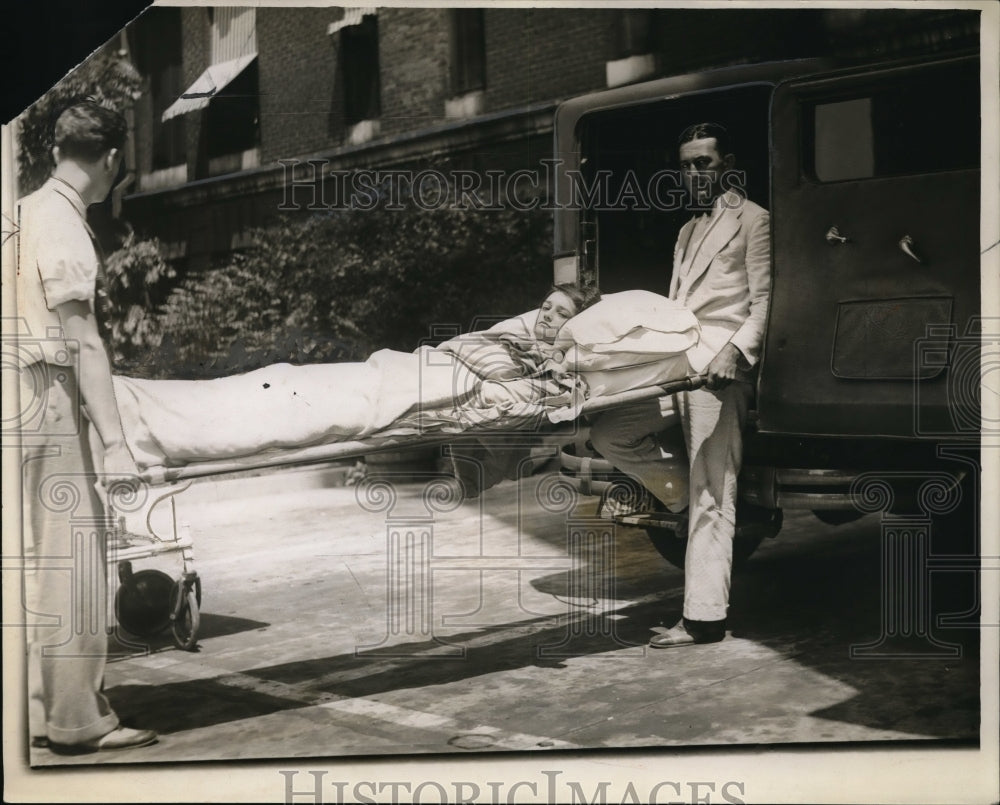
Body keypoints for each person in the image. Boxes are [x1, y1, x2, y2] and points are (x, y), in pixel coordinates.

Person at [589, 122, 770, 648]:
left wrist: (735, 353)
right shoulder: (687, 232)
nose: (693, 174)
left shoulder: (755, 220)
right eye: (686, 164)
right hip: (675, 364)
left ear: (727, 163)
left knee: (714, 489)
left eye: (703, 163)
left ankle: (703, 620)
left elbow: (764, 301)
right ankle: (679, 501)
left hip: (719, 371)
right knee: (610, 435)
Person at [17, 101, 158, 752]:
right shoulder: (67, 227)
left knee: (28, 561)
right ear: (109, 162)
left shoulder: (21, 212)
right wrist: (114, 443)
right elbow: (83, 340)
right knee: (71, 558)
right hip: (42, 395)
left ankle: (40, 712)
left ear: (54, 154)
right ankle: (76, 720)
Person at [449, 282, 600, 497]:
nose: (547, 315)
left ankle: (482, 473)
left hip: (510, 386)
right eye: (546, 307)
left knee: (474, 398)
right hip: (465, 370)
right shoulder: (519, 334)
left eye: (561, 313)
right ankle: (480, 474)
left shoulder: (565, 354)